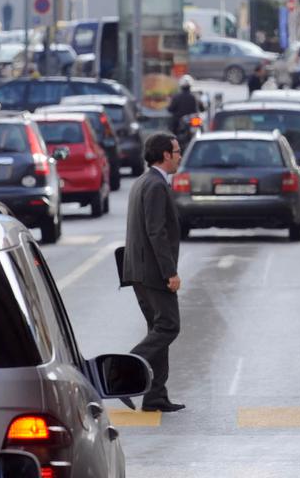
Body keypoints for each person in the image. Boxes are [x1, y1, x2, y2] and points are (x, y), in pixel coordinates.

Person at [121, 132, 185, 413]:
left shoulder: (143, 181)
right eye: (177, 151)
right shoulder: (156, 186)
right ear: (165, 155)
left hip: (138, 270)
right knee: (169, 326)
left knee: (157, 329)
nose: (180, 156)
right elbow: (155, 231)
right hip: (153, 272)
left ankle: (155, 395)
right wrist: (170, 272)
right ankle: (123, 371)